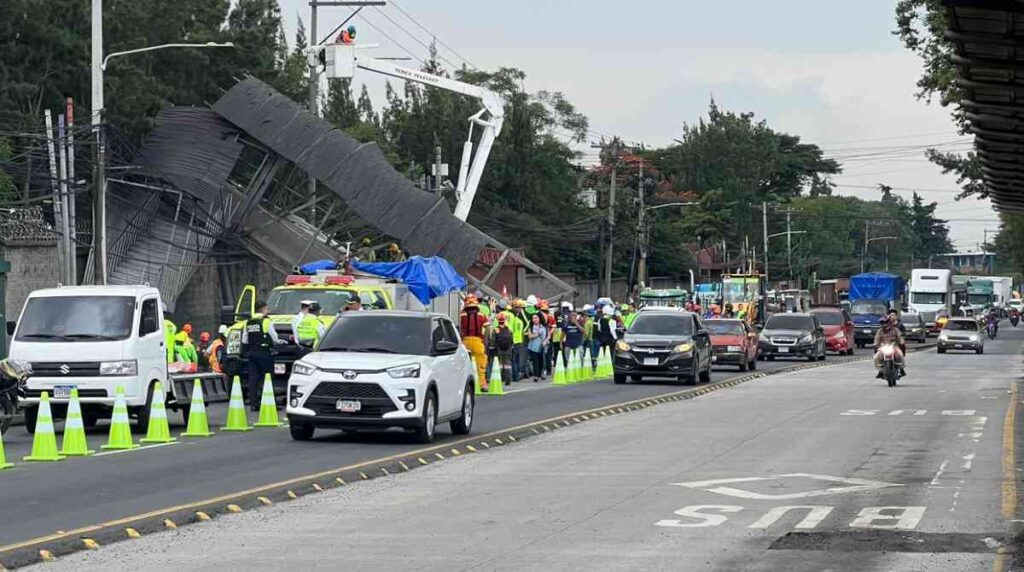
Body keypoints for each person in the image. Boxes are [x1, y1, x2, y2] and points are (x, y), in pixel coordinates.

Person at [242, 301, 280, 411]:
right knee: (267, 378)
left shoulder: (248, 322)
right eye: (267, 309)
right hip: (264, 352)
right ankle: (269, 403)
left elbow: (245, 340)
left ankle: (254, 404)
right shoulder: (266, 321)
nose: (268, 311)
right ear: (262, 309)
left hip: (252, 353)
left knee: (253, 379)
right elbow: (275, 337)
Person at [460, 294, 489, 392]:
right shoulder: (481, 315)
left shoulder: (461, 314)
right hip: (478, 340)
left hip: (465, 341)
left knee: (464, 364)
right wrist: (485, 340)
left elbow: (459, 328)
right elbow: (487, 328)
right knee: (480, 363)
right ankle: (482, 385)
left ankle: (464, 385)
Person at [526, 313, 548, 382]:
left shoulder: (543, 327)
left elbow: (548, 335)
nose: (534, 319)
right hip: (532, 347)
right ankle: (536, 376)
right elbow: (530, 336)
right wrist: (538, 333)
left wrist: (545, 341)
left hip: (541, 347)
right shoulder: (531, 327)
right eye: (533, 318)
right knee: (535, 362)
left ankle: (540, 374)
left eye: (536, 318)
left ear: (540, 318)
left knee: (541, 362)